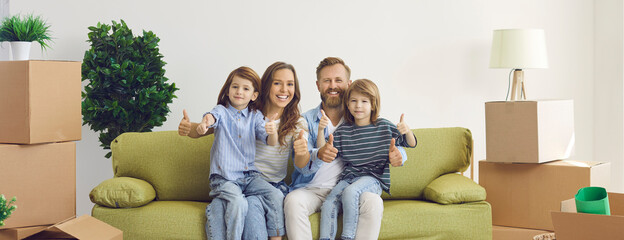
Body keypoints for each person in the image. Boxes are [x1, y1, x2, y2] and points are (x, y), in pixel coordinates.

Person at [179, 62, 307, 240]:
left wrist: (284, 139)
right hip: (236, 181)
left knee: (250, 201)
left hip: (258, 182)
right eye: (277, 83)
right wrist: (191, 127)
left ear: (253, 93)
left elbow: (294, 156)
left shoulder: (292, 122)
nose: (284, 89)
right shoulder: (244, 110)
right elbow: (208, 125)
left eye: (290, 84)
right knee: (235, 205)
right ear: (265, 87)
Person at [285, 57, 408, 240]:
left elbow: (389, 143)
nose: (333, 85)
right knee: (293, 201)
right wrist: (318, 154)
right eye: (327, 81)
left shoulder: (360, 116)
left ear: (349, 84)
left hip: (350, 187)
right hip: (312, 190)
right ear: (318, 85)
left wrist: (400, 156)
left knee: (373, 201)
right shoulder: (305, 121)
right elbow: (301, 166)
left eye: (338, 80)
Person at [318, 79, 417, 240]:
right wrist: (321, 130)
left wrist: (408, 131)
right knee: (329, 203)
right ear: (347, 105)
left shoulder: (384, 126)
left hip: (374, 178)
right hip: (349, 177)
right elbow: (325, 152)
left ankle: (347, 237)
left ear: (373, 105)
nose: (358, 106)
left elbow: (410, 143)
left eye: (364, 101)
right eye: (354, 101)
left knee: (351, 193)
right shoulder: (343, 131)